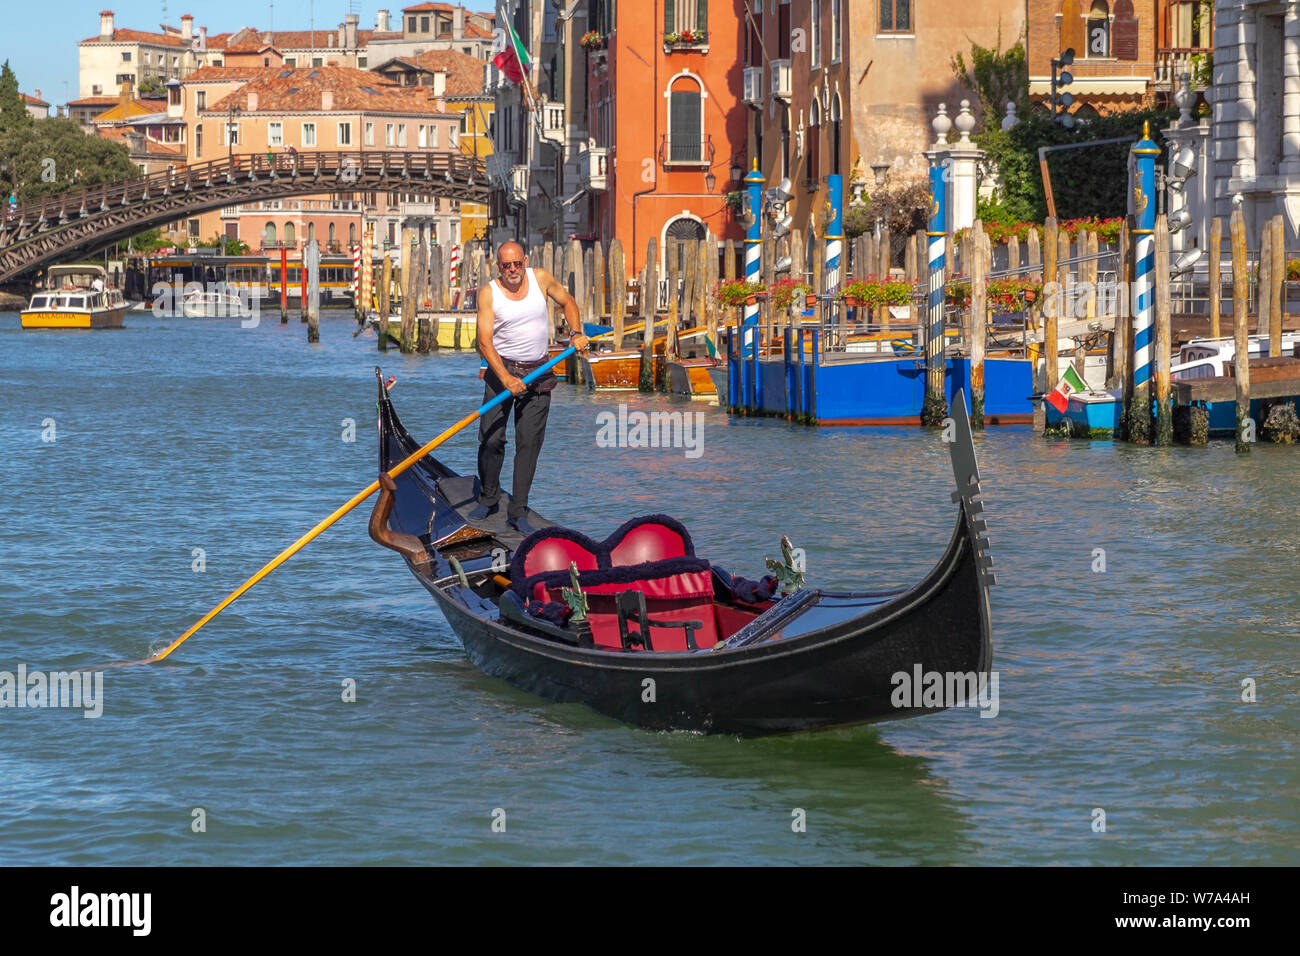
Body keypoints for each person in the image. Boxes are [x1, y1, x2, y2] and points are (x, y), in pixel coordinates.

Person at [469, 240, 588, 536]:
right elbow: (484, 341)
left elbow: (568, 302)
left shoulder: (541, 278)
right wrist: (506, 378)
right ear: (498, 266)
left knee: (528, 444)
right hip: (502, 370)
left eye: (517, 264)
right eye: (506, 265)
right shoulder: (489, 294)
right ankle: (488, 497)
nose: (512, 269)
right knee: (492, 439)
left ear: (525, 260)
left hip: (539, 372)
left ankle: (518, 510)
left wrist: (576, 333)